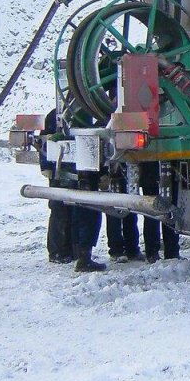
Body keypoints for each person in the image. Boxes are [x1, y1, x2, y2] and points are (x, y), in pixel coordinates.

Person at [41, 110, 73, 264]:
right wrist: (45, 166)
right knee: (59, 209)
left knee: (72, 209)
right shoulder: (56, 115)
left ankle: (68, 249)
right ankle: (57, 251)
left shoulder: (68, 114)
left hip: (71, 168)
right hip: (58, 169)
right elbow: (45, 142)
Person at [141, 162, 180, 261]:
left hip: (151, 162)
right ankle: (169, 252)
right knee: (166, 208)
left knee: (153, 210)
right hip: (164, 162)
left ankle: (154, 253)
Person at [72, 171, 106, 272]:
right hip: (89, 173)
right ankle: (84, 258)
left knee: (79, 214)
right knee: (89, 216)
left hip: (76, 174)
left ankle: (80, 255)